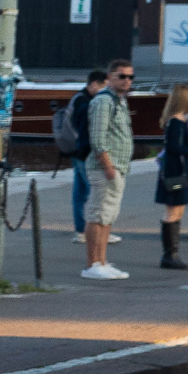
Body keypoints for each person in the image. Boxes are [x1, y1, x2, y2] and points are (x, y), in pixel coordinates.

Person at [83, 57, 135, 280]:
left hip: (118, 166)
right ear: (110, 77)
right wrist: (108, 166)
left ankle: (102, 261)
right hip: (106, 168)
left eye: (130, 77)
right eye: (121, 76)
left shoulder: (120, 101)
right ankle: (93, 264)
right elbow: (97, 138)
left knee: (108, 217)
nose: (127, 81)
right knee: (98, 214)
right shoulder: (104, 101)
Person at [62, 67, 104, 240]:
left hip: (75, 150)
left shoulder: (78, 98)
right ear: (94, 84)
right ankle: (97, 230)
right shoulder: (85, 102)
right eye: (104, 86)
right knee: (94, 191)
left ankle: (81, 230)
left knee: (79, 192)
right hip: (84, 151)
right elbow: (86, 127)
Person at [158, 82, 188, 271]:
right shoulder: (176, 123)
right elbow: (173, 149)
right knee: (173, 210)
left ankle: (172, 254)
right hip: (174, 173)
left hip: (178, 171)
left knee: (177, 210)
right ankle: (169, 255)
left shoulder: (178, 122)